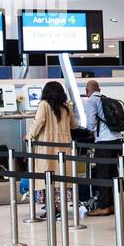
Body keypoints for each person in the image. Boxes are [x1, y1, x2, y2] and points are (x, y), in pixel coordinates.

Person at [28, 81, 74, 215]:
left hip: (47, 147)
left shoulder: (44, 105)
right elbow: (74, 124)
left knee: (48, 177)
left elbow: (38, 122)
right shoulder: (65, 106)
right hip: (64, 147)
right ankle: (60, 208)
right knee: (61, 177)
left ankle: (52, 208)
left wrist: (29, 135)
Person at [83, 79, 124, 216]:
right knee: (114, 173)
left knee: (103, 174)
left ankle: (104, 206)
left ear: (87, 91)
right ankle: (114, 204)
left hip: (104, 142)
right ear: (99, 90)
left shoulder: (91, 101)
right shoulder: (107, 100)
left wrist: (88, 131)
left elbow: (91, 124)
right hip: (117, 140)